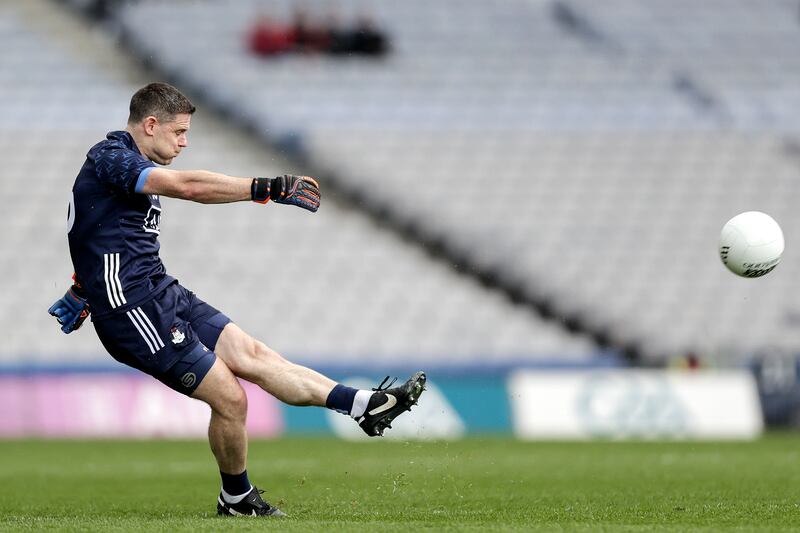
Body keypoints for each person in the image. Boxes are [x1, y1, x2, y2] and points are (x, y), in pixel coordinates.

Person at [47, 82, 426, 518]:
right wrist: (267, 187)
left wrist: (82, 285)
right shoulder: (111, 157)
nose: (185, 142)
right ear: (150, 125)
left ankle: (364, 406)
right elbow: (187, 187)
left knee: (253, 354)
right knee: (231, 399)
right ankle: (238, 500)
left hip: (159, 289)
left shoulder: (126, 163)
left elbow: (98, 228)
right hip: (132, 311)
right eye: (180, 132)